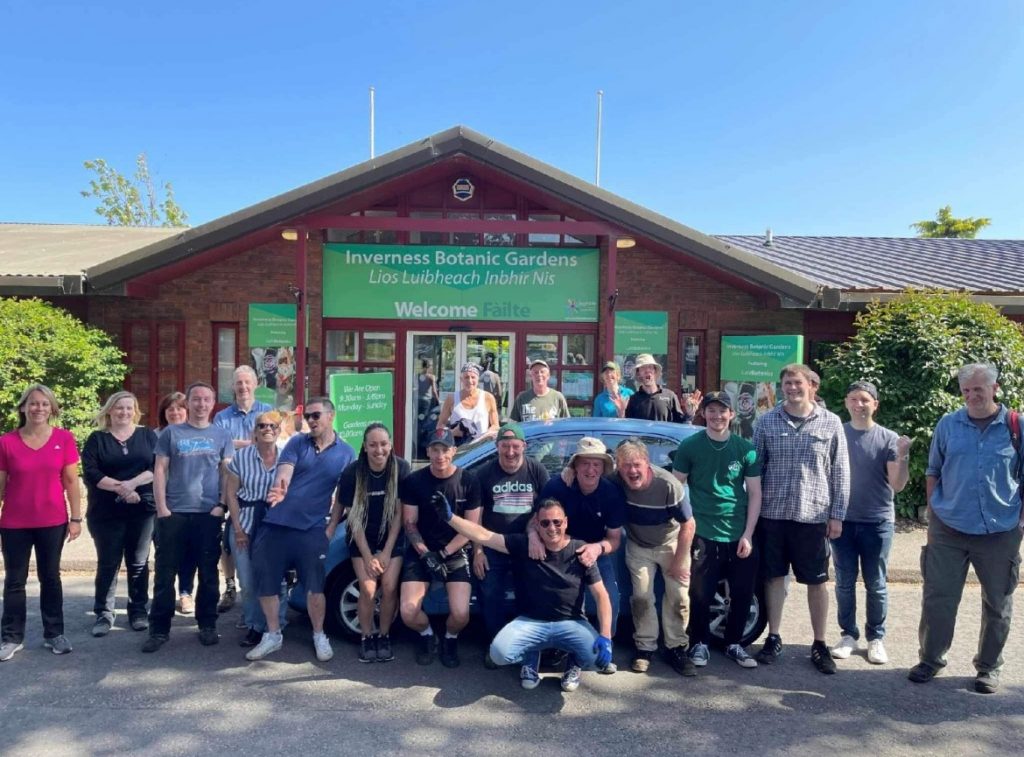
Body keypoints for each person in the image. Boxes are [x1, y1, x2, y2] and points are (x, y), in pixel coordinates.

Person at [909, 363, 1023, 694]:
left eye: (979, 389)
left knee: (998, 603)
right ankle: (930, 659)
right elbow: (933, 471)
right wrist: (934, 516)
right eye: (966, 391)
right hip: (949, 528)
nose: (972, 396)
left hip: (1000, 531)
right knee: (938, 598)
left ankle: (989, 667)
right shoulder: (948, 424)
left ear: (995, 389)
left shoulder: (1016, 426)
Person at [433, 494, 615, 691]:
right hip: (531, 622)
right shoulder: (522, 545)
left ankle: (574, 664)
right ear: (536, 524)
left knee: (598, 661)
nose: (552, 528)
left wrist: (605, 636)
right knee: (498, 654)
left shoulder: (581, 550)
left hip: (571, 622)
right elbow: (483, 535)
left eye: (557, 522)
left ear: (566, 522)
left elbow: (601, 595)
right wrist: (450, 517)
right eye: (545, 523)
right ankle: (532, 655)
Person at [752, 363, 850, 674]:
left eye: (797, 383)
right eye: (786, 384)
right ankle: (774, 636)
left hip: (813, 516)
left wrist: (837, 515)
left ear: (812, 386)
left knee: (817, 582)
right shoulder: (766, 422)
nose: (792, 388)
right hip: (774, 515)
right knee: (774, 578)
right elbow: (755, 471)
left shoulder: (831, 423)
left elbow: (841, 472)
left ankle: (820, 643)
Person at [245, 398, 355, 662]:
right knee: (267, 583)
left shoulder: (347, 452)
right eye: (308, 416)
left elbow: (342, 496)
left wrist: (330, 527)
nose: (311, 420)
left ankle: (319, 635)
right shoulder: (297, 442)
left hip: (312, 529)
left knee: (315, 587)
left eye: (316, 415)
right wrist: (281, 486)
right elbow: (285, 470)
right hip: (275, 525)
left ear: (331, 416)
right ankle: (272, 635)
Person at [673, 391, 762, 669]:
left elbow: (756, 494)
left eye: (723, 410)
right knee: (700, 593)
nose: (717, 416)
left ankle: (734, 644)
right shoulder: (690, 446)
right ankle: (699, 643)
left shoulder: (745, 448)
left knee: (742, 591)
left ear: (731, 415)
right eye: (711, 410)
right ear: (704, 413)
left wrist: (748, 533)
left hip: (738, 532)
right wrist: (683, 528)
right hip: (703, 531)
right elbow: (676, 488)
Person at [144, 382, 234, 653]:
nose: (201, 404)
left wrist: (221, 505)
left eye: (207, 400)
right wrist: (162, 509)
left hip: (208, 514)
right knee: (164, 574)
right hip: (174, 514)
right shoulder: (171, 433)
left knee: (208, 574)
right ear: (189, 403)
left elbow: (226, 473)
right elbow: (159, 470)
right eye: (196, 399)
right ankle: (159, 630)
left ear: (213, 403)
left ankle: (207, 624)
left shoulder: (222, 435)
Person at [830, 381, 911, 666]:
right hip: (842, 520)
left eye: (865, 399)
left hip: (877, 522)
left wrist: (902, 455)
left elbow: (898, 485)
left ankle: (875, 638)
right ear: (847, 402)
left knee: (876, 583)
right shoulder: (836, 433)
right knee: (843, 582)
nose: (859, 404)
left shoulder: (889, 439)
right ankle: (848, 636)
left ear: (875, 404)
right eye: (854, 399)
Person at [0, 384, 82, 661]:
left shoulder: (64, 438)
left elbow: (71, 481)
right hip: (14, 522)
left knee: (50, 578)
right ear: (23, 407)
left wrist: (76, 518)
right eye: (33, 403)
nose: (39, 408)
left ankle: (54, 634)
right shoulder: (6, 442)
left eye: (44, 404)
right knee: (14, 581)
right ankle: (11, 637)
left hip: (52, 521)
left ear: (52, 409)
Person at [399, 428, 482, 668]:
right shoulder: (414, 481)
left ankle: (450, 638)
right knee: (408, 612)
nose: (440, 455)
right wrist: (426, 554)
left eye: (445, 449)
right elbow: (409, 523)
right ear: (427, 451)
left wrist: (444, 554)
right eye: (435, 449)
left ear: (454, 451)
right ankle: (427, 635)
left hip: (455, 551)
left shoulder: (469, 481)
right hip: (421, 551)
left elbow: (471, 527)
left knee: (460, 615)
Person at [614, 438, 696, 676]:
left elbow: (689, 524)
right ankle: (645, 647)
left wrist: (680, 560)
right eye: (626, 465)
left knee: (678, 597)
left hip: (670, 543)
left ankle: (677, 647)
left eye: (636, 464)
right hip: (638, 545)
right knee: (641, 597)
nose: (632, 471)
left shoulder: (667, 484)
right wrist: (568, 470)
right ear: (619, 466)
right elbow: (591, 474)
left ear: (647, 463)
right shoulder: (616, 480)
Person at [331, 423, 410, 663]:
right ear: (365, 446)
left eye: (383, 444)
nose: (379, 450)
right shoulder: (353, 472)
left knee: (388, 587)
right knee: (367, 589)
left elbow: (399, 514)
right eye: (373, 444)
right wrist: (367, 556)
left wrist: (386, 553)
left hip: (391, 538)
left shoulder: (401, 468)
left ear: (391, 445)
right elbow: (352, 517)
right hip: (361, 536)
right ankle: (366, 637)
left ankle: (383, 636)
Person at [82, 391, 158, 638]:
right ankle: (104, 614)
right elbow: (91, 472)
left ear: (135, 411)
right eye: (119, 408)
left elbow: (156, 467)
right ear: (109, 411)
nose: (124, 412)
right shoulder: (97, 439)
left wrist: (132, 485)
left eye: (129, 408)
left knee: (138, 564)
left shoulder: (147, 435)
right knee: (108, 563)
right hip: (105, 512)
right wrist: (123, 490)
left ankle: (138, 611)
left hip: (142, 509)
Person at [472, 423, 549, 661]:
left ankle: (526, 647)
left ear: (524, 446)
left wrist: (536, 536)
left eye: (515, 446)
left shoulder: (536, 470)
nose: (510, 452)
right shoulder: (483, 473)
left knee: (529, 594)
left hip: (528, 544)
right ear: (497, 447)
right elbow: (475, 515)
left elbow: (546, 510)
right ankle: (495, 646)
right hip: (493, 544)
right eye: (505, 446)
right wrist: (477, 551)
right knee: (491, 594)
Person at [536, 437, 626, 636]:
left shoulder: (611, 494)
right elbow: (536, 521)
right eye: (585, 463)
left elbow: (614, 539)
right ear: (575, 465)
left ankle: (606, 645)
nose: (590, 470)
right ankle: (560, 648)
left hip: (596, 551)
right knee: (558, 600)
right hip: (560, 552)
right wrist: (534, 537)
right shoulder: (557, 488)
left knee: (611, 599)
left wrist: (597, 549)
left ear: (603, 468)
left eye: (596, 464)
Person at [224, 410, 289, 648]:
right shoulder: (242, 458)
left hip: (275, 526)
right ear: (255, 431)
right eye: (262, 426)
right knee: (249, 581)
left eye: (272, 425)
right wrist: (239, 529)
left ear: (279, 430)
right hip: (246, 522)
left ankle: (278, 624)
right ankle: (254, 626)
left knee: (276, 579)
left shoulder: (287, 458)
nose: (267, 429)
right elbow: (230, 494)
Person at [214, 366, 274, 614]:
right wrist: (252, 443)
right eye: (239, 383)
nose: (243, 387)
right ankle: (230, 585)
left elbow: (275, 442)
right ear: (233, 387)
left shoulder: (267, 412)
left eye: (247, 382)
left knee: (259, 540)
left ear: (256, 384)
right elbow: (219, 448)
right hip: (228, 484)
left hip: (259, 486)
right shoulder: (222, 417)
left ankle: (260, 593)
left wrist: (235, 445)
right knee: (228, 540)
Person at [155, 392, 197, 615]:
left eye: (180, 408)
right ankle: (164, 597)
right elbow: (150, 469)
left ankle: (185, 593)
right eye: (170, 409)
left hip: (189, 504)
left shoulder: (195, 436)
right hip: (162, 504)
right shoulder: (154, 436)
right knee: (164, 554)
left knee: (188, 553)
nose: (175, 412)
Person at [437, 362, 499, 446]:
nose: (470, 381)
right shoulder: (451, 399)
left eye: (473, 377)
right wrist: (452, 432)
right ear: (461, 379)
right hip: (457, 448)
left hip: (480, 448)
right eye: (466, 377)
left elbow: (495, 425)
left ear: (478, 379)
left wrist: (486, 435)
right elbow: (440, 426)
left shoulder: (488, 398)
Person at [624, 354, 692, 423]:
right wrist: (621, 412)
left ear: (655, 371)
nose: (647, 370)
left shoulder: (670, 396)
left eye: (650, 367)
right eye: (643, 368)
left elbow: (680, 424)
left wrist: (689, 414)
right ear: (638, 374)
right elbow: (628, 427)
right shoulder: (633, 400)